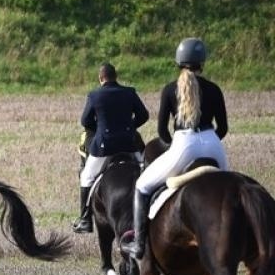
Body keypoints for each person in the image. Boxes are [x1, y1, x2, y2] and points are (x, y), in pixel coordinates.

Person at [120, 38, 229, 263]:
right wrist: (208, 143)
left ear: (178, 62)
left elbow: (162, 130)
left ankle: (138, 244)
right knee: (230, 191)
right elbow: (223, 128)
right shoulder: (214, 89)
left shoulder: (170, 89)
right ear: (202, 63)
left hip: (184, 144)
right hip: (213, 143)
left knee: (142, 185)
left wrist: (174, 148)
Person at [72, 62, 149, 233]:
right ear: (116, 77)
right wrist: (129, 127)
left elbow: (85, 121)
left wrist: (100, 128)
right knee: (146, 172)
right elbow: (144, 115)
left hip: (104, 146)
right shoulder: (129, 92)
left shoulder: (94, 95)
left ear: (101, 78)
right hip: (129, 144)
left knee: (86, 177)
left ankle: (85, 219)